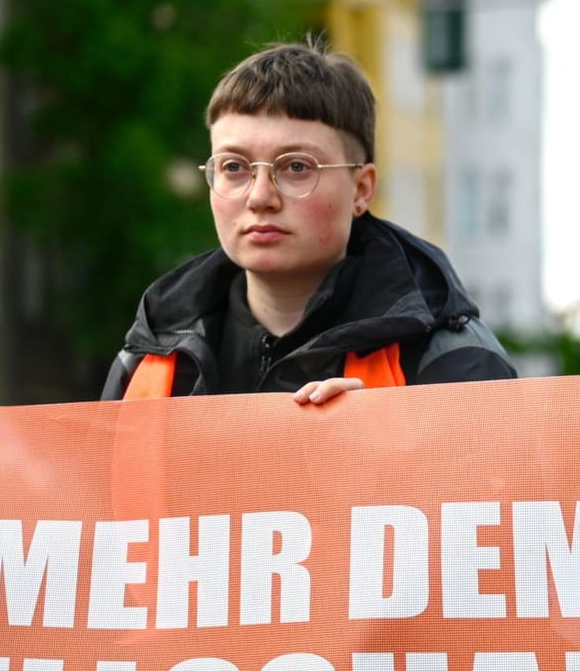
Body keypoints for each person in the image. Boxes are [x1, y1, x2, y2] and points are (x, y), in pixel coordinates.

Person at [102, 40, 516, 403]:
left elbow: (502, 489)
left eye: (296, 167)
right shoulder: (152, 357)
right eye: (233, 167)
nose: (260, 196)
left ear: (361, 190)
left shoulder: (448, 355)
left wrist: (388, 447)